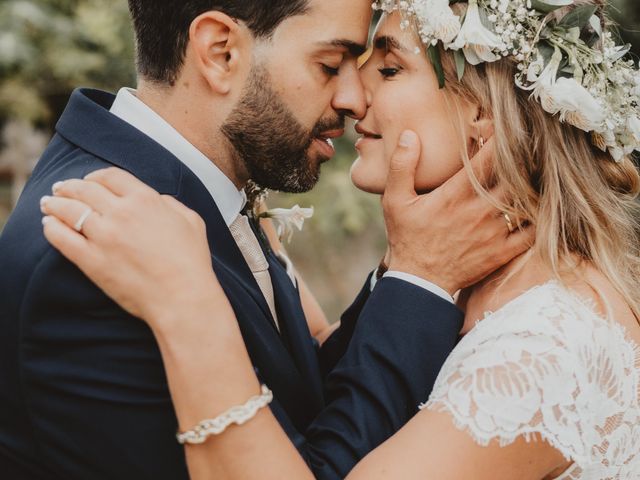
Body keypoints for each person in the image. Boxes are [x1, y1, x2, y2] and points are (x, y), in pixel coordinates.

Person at [40, 0, 640, 478]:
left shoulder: (547, 344)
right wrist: (412, 275)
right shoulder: (85, 248)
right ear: (217, 52)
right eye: (334, 66)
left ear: (483, 114)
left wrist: (192, 312)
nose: (354, 99)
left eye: (387, 67)